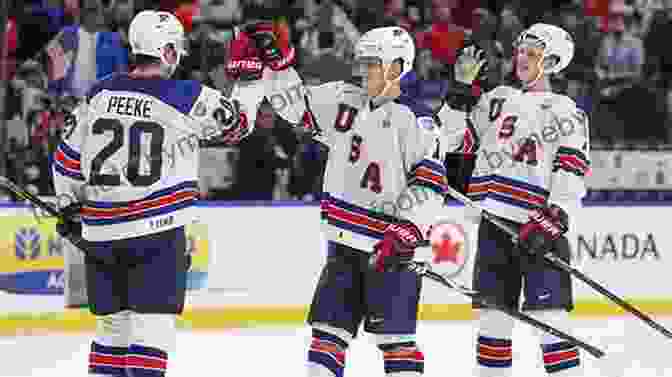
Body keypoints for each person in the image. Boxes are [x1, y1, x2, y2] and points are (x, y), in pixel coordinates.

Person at [225, 25, 450, 377]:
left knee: (397, 343)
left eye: (371, 63)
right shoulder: (344, 98)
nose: (362, 70)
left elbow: (430, 183)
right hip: (343, 245)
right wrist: (275, 67)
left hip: (390, 250)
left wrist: (408, 230)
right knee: (326, 337)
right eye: (360, 62)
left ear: (396, 67)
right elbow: (296, 106)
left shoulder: (418, 121)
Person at [51, 10, 253, 377]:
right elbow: (239, 126)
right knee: (151, 332)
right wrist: (253, 78)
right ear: (168, 53)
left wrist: (69, 206)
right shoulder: (188, 96)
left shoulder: (100, 92)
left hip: (101, 235)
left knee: (111, 332)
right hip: (156, 235)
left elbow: (65, 161)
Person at [436, 23, 590, 376]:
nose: (522, 57)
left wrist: (556, 216)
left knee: (549, 320)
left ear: (552, 61)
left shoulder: (566, 110)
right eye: (520, 50)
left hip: (538, 228)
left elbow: (572, 168)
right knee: (492, 322)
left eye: (532, 52)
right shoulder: (497, 98)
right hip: (492, 223)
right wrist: (460, 91)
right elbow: (448, 138)